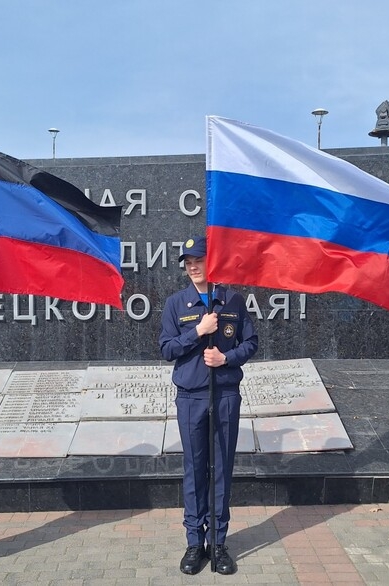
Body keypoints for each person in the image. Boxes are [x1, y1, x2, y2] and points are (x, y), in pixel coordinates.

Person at [159, 235, 258, 576]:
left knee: (221, 470)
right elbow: (166, 349)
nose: (193, 266)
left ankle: (218, 542)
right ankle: (193, 543)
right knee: (195, 469)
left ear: (211, 262)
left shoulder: (232, 299)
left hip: (225, 396)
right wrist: (198, 332)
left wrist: (226, 358)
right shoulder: (177, 303)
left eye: (198, 260)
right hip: (191, 397)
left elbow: (251, 343)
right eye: (187, 262)